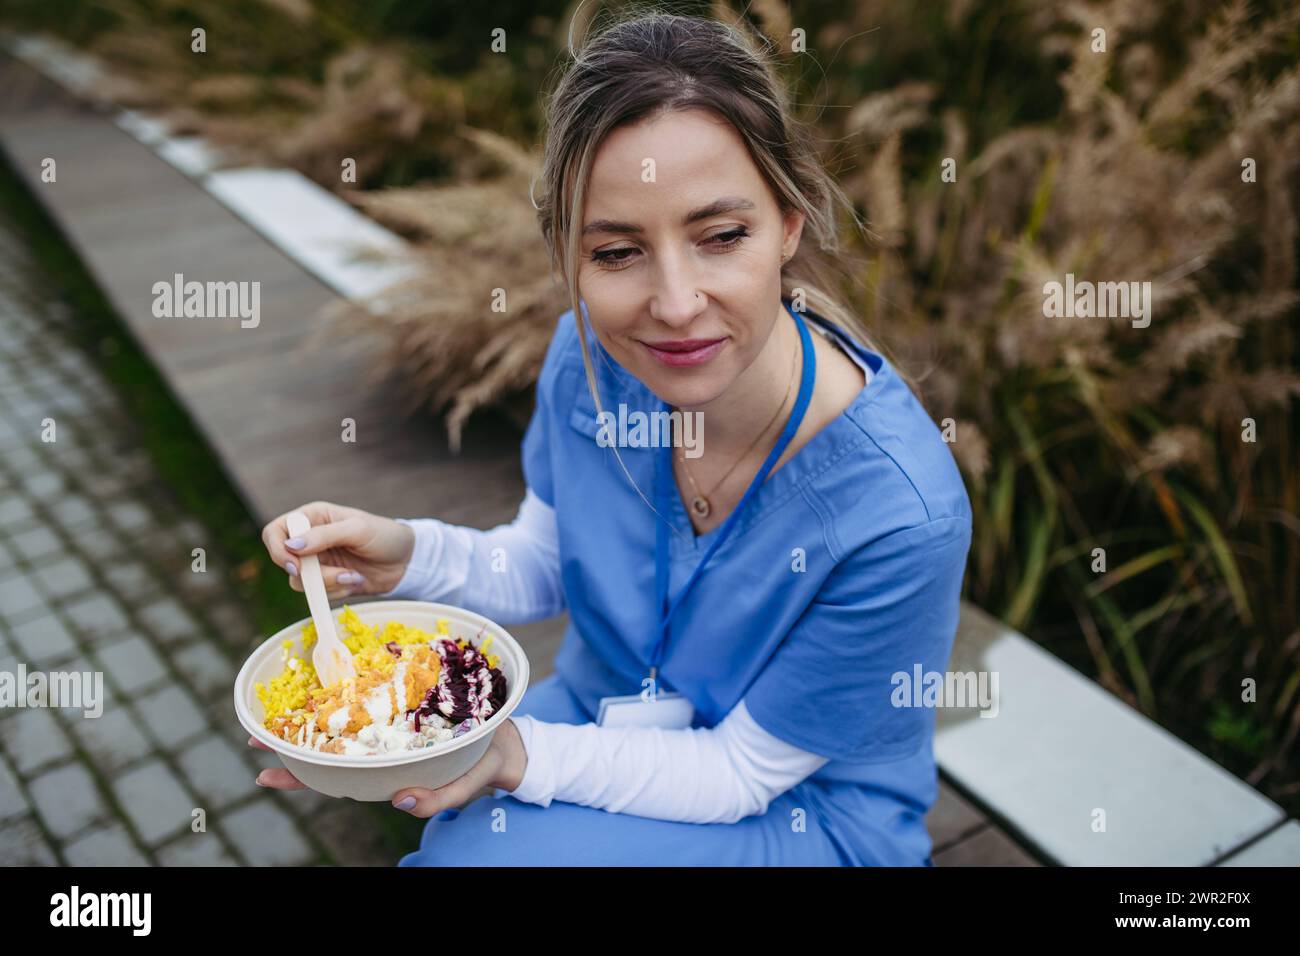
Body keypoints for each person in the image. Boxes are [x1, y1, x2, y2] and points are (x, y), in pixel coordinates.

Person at [253, 10, 972, 867]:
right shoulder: (585, 359)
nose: (674, 304)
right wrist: (408, 559)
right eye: (619, 252)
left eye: (722, 236)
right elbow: (555, 561)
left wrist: (513, 756)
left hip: (796, 806)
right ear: (569, 255)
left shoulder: (902, 514)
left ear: (789, 221)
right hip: (602, 710)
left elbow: (743, 771)